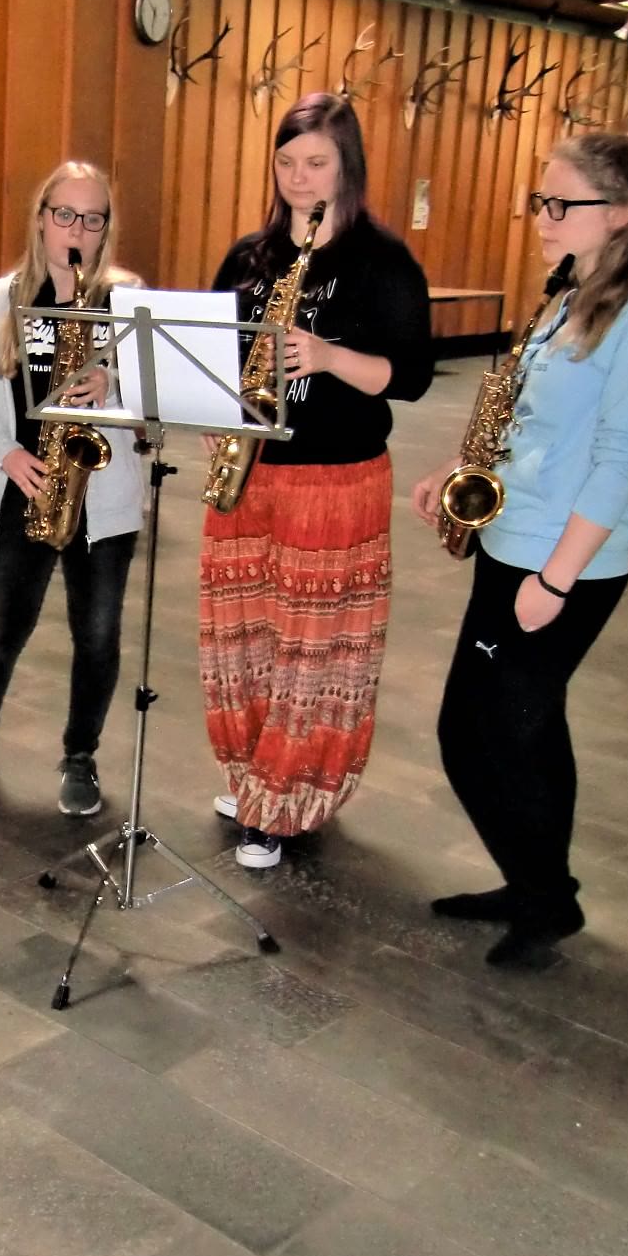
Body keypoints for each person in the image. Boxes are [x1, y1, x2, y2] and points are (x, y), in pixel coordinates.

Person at [412, 132, 628, 968]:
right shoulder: (577, 294)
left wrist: (557, 578)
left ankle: (546, 897)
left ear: (621, 214)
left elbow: (624, 462)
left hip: (561, 561)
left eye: (559, 203)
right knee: (515, 730)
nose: (541, 218)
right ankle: (533, 883)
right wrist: (460, 468)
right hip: (518, 540)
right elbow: (534, 419)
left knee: (492, 733)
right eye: (539, 201)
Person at [200, 92, 432, 868]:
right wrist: (213, 408)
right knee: (242, 640)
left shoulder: (382, 261)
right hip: (251, 476)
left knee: (313, 649)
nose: (299, 178)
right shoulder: (249, 256)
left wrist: (329, 356)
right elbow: (214, 355)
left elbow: (412, 376)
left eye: (317, 163)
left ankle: (286, 797)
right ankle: (256, 777)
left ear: (348, 167)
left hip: (335, 479)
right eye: (287, 162)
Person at [0, 160, 144, 816]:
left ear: (106, 228)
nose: (77, 230)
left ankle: (80, 756)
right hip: (21, 483)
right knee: (1, 630)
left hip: (103, 495)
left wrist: (114, 384)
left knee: (99, 637)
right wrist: (6, 456)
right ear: (41, 219)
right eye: (65, 214)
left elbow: (157, 396)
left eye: (93, 219)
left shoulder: (128, 303)